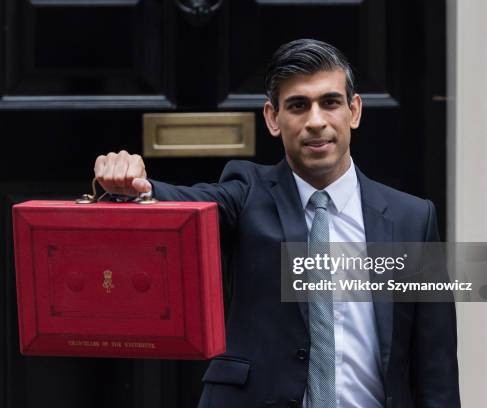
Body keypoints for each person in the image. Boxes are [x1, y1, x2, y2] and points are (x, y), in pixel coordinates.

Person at [93, 39, 460, 408]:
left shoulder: (412, 220)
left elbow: (436, 368)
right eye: (298, 106)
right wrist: (132, 187)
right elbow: (181, 206)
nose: (316, 121)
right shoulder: (246, 194)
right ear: (272, 117)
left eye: (330, 103)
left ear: (354, 111)